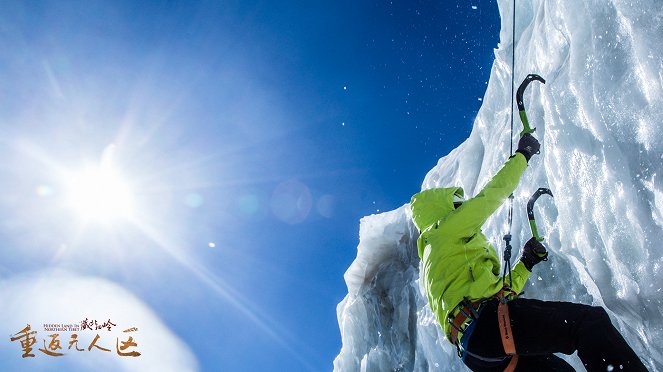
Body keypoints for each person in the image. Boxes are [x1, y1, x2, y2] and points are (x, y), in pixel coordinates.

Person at [410, 134, 647, 371]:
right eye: (458, 205)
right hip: (488, 325)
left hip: (479, 351)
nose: (463, 209)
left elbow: (498, 293)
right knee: (587, 324)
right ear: (445, 209)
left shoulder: (436, 263)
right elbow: (490, 197)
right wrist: (522, 156)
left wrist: (526, 262)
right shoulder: (444, 231)